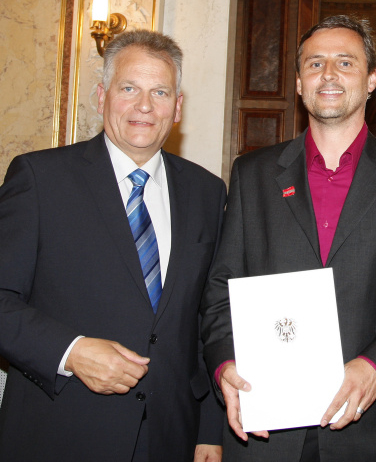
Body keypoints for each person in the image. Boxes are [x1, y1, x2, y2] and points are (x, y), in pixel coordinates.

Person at [201, 15, 376, 461]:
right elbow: (221, 290)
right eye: (315, 64)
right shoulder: (252, 175)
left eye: (345, 63)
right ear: (299, 83)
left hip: (369, 432)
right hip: (264, 430)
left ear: (371, 79)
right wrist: (224, 364)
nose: (328, 74)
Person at [0, 30, 226, 461]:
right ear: (102, 96)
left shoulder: (207, 192)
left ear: (177, 107)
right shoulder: (39, 179)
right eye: (129, 89)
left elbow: (208, 317)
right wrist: (71, 351)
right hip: (61, 433)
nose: (145, 106)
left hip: (171, 437)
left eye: (160, 92)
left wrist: (209, 430)